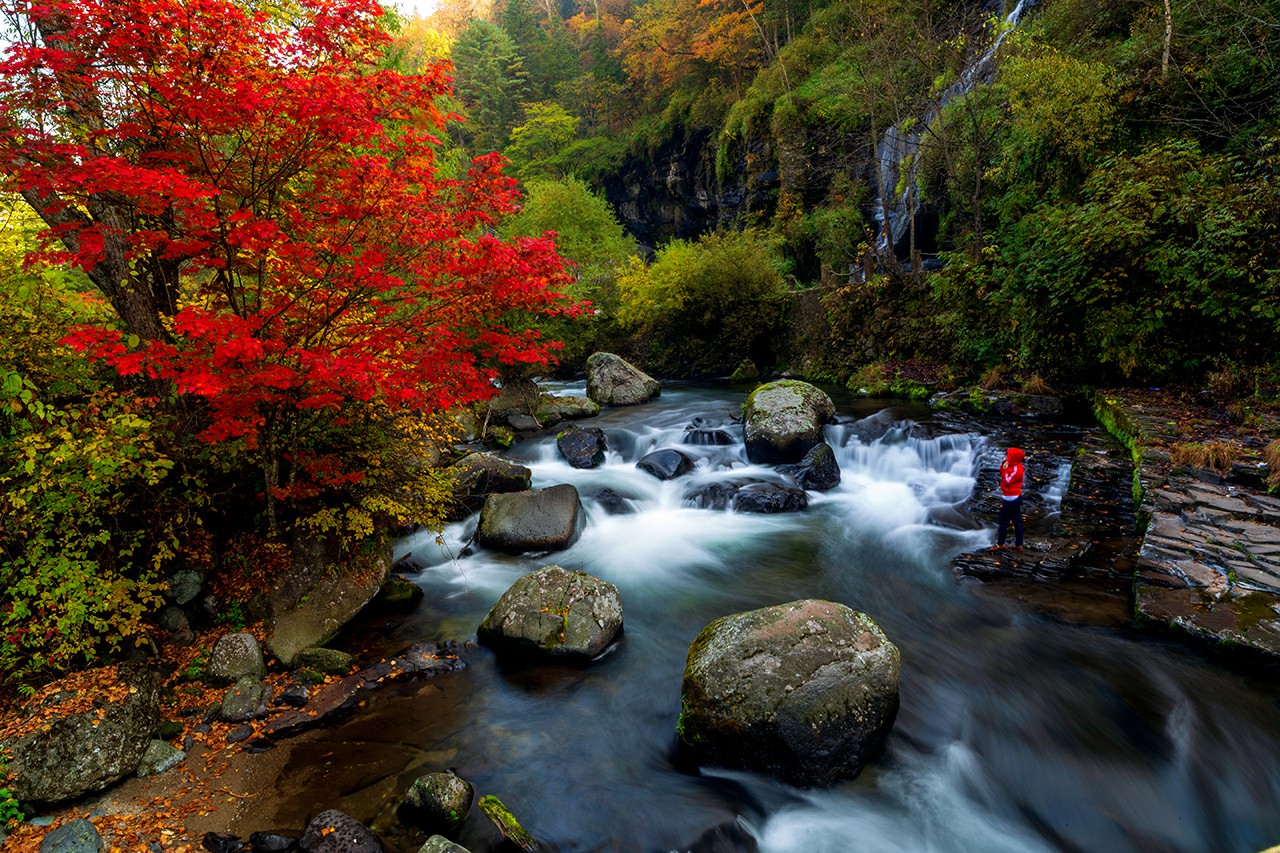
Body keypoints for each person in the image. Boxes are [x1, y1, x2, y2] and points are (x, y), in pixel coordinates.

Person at [995, 446, 1025, 549]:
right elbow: (1002, 474)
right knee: (1016, 520)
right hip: (1012, 497)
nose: (1006, 456)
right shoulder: (1012, 465)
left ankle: (1000, 544)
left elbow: (1007, 481)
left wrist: (1004, 469)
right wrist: (1003, 465)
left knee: (1003, 521)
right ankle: (1019, 544)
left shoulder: (1017, 470)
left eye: (1008, 455)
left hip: (1011, 498)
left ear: (1013, 457)